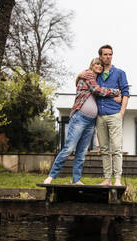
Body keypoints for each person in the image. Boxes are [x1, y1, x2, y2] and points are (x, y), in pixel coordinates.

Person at [43, 58, 122, 185]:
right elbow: (97, 90)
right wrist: (116, 92)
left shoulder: (96, 79)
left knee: (81, 152)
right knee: (69, 148)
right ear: (91, 65)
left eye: (101, 65)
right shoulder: (88, 75)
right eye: (97, 64)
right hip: (80, 117)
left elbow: (99, 91)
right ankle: (51, 177)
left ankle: (76, 179)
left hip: (91, 121)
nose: (100, 66)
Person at [81, 44, 130, 186]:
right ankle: (107, 179)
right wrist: (79, 75)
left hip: (115, 114)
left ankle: (117, 180)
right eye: (105, 54)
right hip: (100, 116)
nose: (108, 57)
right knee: (104, 149)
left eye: (110, 54)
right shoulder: (97, 73)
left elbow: (126, 93)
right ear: (100, 56)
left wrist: (122, 112)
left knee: (116, 148)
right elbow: (87, 83)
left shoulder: (120, 73)